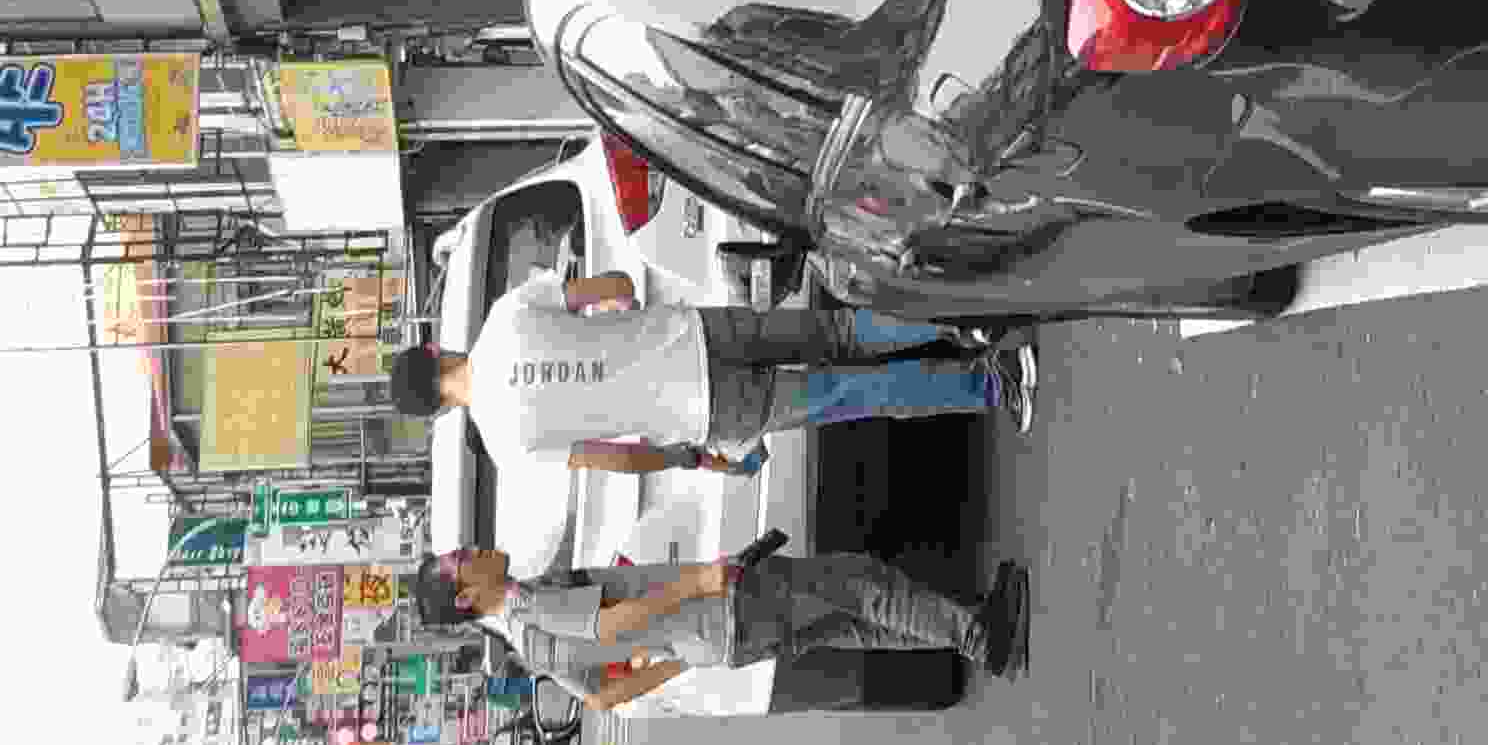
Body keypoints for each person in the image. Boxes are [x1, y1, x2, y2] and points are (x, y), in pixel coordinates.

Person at [388, 259, 1033, 480]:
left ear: (440, 410)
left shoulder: (508, 445)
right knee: (836, 330)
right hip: (700, 331)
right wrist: (619, 313)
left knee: (855, 393)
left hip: (706, 411)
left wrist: (686, 457)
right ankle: (963, 321)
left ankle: (991, 382)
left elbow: (615, 458)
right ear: (436, 353)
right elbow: (614, 286)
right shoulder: (507, 314)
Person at [422, 539, 1028, 714]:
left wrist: (677, 659)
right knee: (860, 586)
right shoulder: (526, 606)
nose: (471, 549)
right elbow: (612, 625)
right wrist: (701, 582)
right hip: (724, 607)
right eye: (461, 559)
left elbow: (603, 696)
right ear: (466, 595)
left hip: (718, 639)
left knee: (854, 622)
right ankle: (980, 636)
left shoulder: (526, 642)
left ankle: (970, 631)